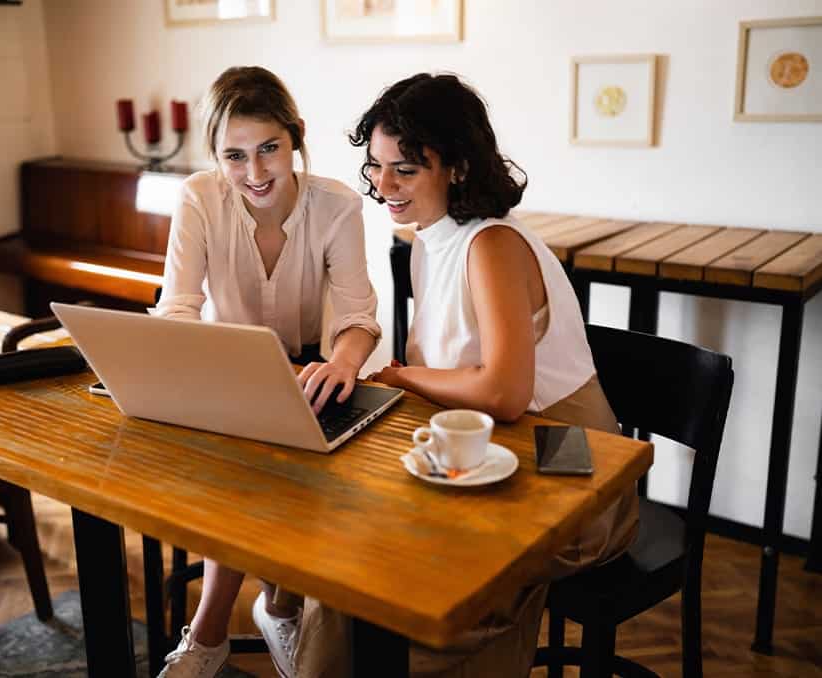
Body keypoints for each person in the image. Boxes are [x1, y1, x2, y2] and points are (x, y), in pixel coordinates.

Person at [292, 73, 639, 677]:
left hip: (577, 463)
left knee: (448, 578)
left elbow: (504, 393)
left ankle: (351, 658)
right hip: (500, 446)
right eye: (376, 166)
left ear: (455, 166)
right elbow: (466, 381)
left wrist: (405, 379)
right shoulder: (432, 240)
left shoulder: (492, 245)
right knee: (355, 543)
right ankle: (325, 653)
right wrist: (411, 377)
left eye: (406, 168)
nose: (384, 185)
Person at [152, 65, 381, 678]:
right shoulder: (199, 197)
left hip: (320, 374)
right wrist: (182, 366)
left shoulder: (336, 205)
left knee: (266, 469)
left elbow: (358, 316)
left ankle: (216, 632)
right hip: (231, 371)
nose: (254, 173)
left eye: (269, 150)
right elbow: (178, 305)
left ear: (295, 138)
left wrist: (342, 360)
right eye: (234, 156)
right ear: (216, 157)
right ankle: (266, 612)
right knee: (245, 467)